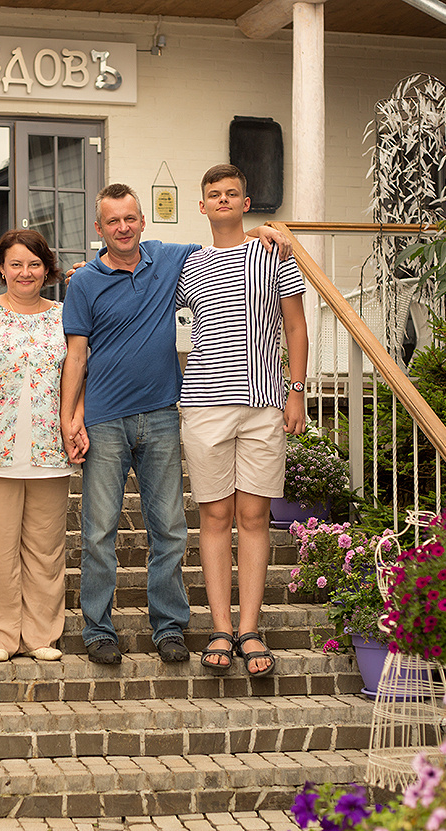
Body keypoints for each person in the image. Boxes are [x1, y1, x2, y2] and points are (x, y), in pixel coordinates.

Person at [59, 182, 289, 665]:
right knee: (99, 530)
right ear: (98, 229)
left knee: (169, 529)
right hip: (103, 420)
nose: (123, 228)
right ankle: (98, 628)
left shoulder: (172, 259)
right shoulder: (83, 282)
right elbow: (76, 356)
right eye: (112, 222)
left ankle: (169, 626)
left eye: (131, 219)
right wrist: (69, 416)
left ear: (143, 222)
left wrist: (271, 228)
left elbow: (232, 242)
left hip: (164, 413)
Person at [177, 164, 308, 677]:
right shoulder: (189, 266)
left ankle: (250, 629)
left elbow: (295, 327)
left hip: (263, 403)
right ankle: (220, 628)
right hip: (205, 404)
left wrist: (295, 393)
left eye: (233, 192)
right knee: (214, 518)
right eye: (215, 194)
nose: (224, 199)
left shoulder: (272, 255)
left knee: (254, 518)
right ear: (203, 205)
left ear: (246, 200)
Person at [0, 229, 74, 663]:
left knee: (46, 550)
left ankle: (42, 635)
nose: (24, 272)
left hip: (49, 450)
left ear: (46, 269)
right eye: (15, 264)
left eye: (33, 264)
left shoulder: (65, 316)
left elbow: (77, 374)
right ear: (1, 268)